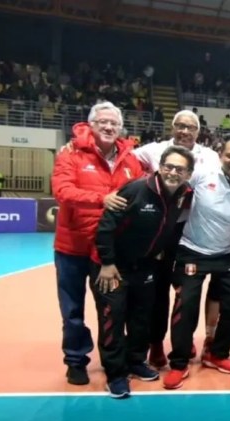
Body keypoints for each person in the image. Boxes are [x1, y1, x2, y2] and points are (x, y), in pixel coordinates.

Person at [162, 135, 230, 390]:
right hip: (192, 251)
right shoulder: (201, 176)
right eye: (229, 155)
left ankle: (217, 354)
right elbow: (174, 188)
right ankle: (179, 363)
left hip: (228, 254)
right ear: (221, 156)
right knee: (185, 306)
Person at [52, 101, 144, 386]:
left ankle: (114, 361)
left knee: (112, 310)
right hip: (72, 248)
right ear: (91, 125)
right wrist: (100, 199)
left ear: (120, 128)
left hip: (108, 251)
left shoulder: (131, 160)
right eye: (102, 122)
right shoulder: (71, 154)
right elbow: (62, 191)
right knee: (73, 311)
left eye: (113, 123)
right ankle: (76, 360)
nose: (108, 127)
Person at [91, 146, 194, 398]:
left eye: (180, 169)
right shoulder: (136, 189)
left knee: (141, 319)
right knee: (112, 319)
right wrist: (106, 263)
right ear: (160, 166)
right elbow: (105, 227)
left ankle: (136, 361)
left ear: (188, 173)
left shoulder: (182, 194)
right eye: (169, 166)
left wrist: (156, 250)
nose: (173, 172)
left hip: (145, 266)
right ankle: (115, 374)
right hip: (113, 267)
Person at [129, 109, 220, 368]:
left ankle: (184, 338)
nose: (184, 131)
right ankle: (155, 343)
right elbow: (124, 156)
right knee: (156, 292)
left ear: (198, 132)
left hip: (189, 233)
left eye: (190, 127)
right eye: (180, 126)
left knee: (186, 292)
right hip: (158, 232)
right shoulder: (153, 150)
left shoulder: (210, 157)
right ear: (172, 127)